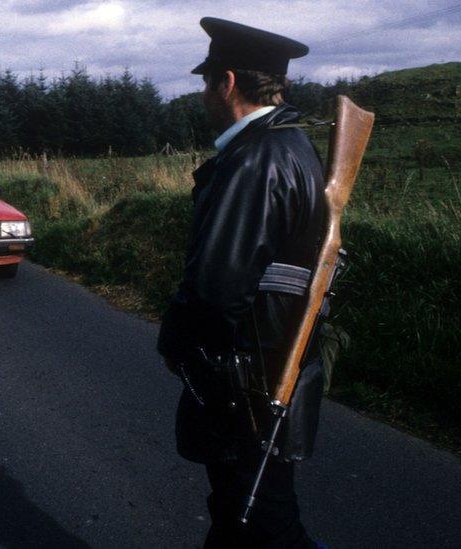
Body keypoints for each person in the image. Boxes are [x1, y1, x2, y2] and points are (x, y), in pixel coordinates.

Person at [157, 18, 328, 548]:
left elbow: (217, 288)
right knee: (241, 514)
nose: (203, 93)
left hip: (245, 378)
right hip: (273, 363)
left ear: (226, 82)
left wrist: (177, 343)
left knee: (263, 520)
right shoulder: (291, 144)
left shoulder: (254, 160)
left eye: (206, 81)